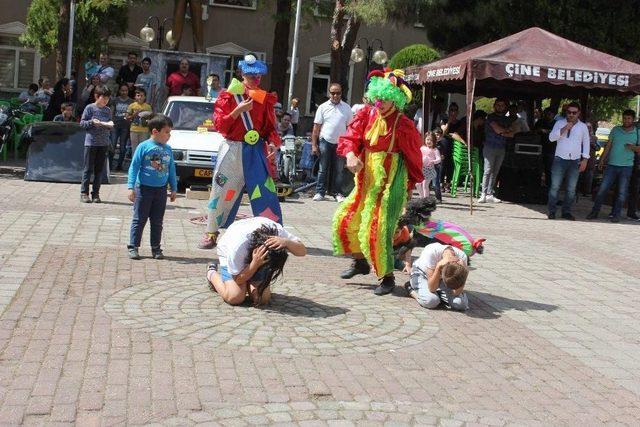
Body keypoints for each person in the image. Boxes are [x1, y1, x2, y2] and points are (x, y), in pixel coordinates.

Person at [333, 69, 423, 296]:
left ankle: (387, 277)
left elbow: (413, 157)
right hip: (366, 177)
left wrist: (408, 190)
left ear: (396, 98)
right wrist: (351, 154)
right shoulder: (366, 115)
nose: (380, 103)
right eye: (377, 98)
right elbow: (350, 137)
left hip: (391, 180)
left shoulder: (403, 124)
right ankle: (360, 261)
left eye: (385, 99)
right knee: (345, 219)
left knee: (378, 228)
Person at [199, 54, 282, 250]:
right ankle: (211, 233)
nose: (256, 79)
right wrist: (237, 110)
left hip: (255, 150)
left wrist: (272, 143)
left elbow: (271, 128)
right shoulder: (228, 96)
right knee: (221, 191)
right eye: (252, 75)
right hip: (233, 148)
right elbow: (220, 125)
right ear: (242, 73)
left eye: (259, 76)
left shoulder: (264, 98)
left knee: (264, 192)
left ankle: (271, 234)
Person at [206, 217, 307, 306]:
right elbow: (237, 279)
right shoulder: (237, 247)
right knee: (235, 297)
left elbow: (302, 251)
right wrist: (254, 265)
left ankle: (250, 282)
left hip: (255, 256)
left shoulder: (278, 232)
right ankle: (211, 273)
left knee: (261, 299)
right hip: (228, 250)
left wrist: (286, 242)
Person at [126, 114, 177, 260]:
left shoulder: (168, 149)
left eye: (170, 132)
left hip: (161, 190)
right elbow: (134, 167)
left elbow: (171, 169)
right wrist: (131, 187)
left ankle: (156, 248)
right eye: (166, 132)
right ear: (155, 131)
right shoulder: (143, 147)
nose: (169, 136)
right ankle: (133, 247)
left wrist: (173, 188)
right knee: (139, 219)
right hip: (143, 189)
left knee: (157, 221)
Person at [587, 109, 640, 222]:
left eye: (629, 119)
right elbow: (608, 146)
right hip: (611, 165)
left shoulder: (637, 132)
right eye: (624, 118)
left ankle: (616, 215)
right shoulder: (615, 130)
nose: (626, 120)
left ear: (633, 120)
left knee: (622, 192)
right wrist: (601, 160)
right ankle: (594, 212)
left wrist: (633, 148)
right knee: (602, 190)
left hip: (627, 167)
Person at [547, 102, 590, 220]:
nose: (571, 114)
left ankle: (566, 211)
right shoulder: (559, 123)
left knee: (571, 189)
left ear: (579, 113)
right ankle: (551, 211)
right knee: (555, 187)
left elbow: (586, 143)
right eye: (569, 112)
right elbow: (551, 138)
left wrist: (585, 159)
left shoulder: (583, 127)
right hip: (559, 159)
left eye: (574, 113)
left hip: (575, 160)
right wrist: (565, 128)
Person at [311, 83, 353, 202]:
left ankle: (337, 193)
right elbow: (316, 127)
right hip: (325, 141)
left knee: (339, 170)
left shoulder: (346, 108)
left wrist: (350, 145)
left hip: (341, 143)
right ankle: (320, 192)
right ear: (329, 93)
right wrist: (314, 145)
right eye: (333, 93)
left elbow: (351, 128)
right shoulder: (323, 107)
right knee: (322, 168)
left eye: (338, 93)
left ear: (341, 93)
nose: (335, 95)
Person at [404, 243, 469, 311]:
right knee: (431, 301)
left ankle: (439, 294)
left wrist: (464, 271)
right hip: (421, 273)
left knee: (460, 304)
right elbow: (432, 288)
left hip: (442, 279)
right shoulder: (432, 251)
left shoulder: (462, 257)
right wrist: (438, 267)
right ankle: (411, 289)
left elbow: (456, 292)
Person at [79, 85, 113, 204]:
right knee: (88, 169)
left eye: (107, 99)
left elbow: (109, 124)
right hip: (91, 143)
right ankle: (84, 193)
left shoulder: (107, 110)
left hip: (103, 143)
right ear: (97, 96)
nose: (105, 101)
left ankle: (96, 194)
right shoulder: (90, 108)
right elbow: (82, 123)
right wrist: (92, 122)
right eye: (103, 98)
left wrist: (108, 125)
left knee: (99, 170)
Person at [479, 98, 513, 203]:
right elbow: (497, 129)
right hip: (490, 146)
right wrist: (504, 131)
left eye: (502, 105)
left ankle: (490, 193)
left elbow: (512, 133)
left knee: (495, 171)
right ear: (494, 106)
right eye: (498, 105)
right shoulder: (490, 117)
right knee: (487, 170)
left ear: (505, 107)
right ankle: (483, 194)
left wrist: (502, 132)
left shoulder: (507, 119)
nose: (500, 107)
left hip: (501, 147)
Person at [440, 102, 467, 191]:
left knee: (451, 164)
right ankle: (441, 183)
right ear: (448, 111)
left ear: (458, 112)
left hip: (454, 144)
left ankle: (448, 183)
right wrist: (449, 122)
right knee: (443, 163)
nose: (453, 112)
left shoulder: (459, 123)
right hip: (445, 143)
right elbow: (444, 132)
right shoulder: (443, 120)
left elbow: (457, 134)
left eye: (455, 110)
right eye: (451, 110)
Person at [110, 84, 133, 171]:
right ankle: (110, 164)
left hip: (125, 126)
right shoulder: (115, 100)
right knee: (113, 146)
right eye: (122, 90)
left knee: (123, 147)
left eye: (126, 90)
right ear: (119, 91)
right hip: (115, 126)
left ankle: (119, 165)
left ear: (128, 91)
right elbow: (112, 111)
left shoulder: (131, 101)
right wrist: (111, 121)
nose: (124, 92)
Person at [534, 107, 557, 187]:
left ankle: (549, 186)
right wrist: (539, 130)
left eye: (550, 114)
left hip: (551, 149)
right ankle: (536, 185)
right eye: (546, 114)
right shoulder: (540, 121)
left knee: (549, 169)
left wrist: (546, 131)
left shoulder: (556, 123)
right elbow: (533, 131)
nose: (548, 115)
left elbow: (558, 134)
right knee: (537, 168)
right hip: (539, 148)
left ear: (554, 115)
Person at [127, 88, 153, 155]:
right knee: (134, 149)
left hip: (144, 131)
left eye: (142, 96)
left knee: (143, 149)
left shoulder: (148, 107)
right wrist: (134, 115)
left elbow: (151, 119)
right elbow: (127, 118)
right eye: (138, 95)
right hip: (134, 130)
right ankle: (134, 164)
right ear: (135, 96)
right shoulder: (132, 106)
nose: (140, 97)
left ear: (145, 97)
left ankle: (142, 164)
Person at [417, 132, 441, 199]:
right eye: (427, 139)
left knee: (425, 185)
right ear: (425, 139)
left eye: (431, 140)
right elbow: (418, 156)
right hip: (421, 169)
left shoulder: (435, 150)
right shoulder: (422, 148)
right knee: (418, 184)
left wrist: (433, 161)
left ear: (434, 141)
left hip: (429, 170)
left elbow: (439, 159)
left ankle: (426, 199)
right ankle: (422, 198)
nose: (429, 142)